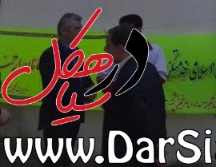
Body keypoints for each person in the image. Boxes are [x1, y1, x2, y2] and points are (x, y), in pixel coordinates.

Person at [102, 25, 167, 164]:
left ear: (120, 49)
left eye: (108, 45)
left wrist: (154, 152)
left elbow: (140, 117)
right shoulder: (149, 68)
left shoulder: (127, 77)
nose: (105, 49)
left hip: (130, 152)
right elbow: (159, 112)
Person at [38, 13, 95, 167]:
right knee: (55, 157)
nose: (80, 33)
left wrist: (91, 89)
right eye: (76, 29)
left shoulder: (76, 52)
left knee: (66, 156)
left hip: (74, 114)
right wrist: (83, 94)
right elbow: (55, 88)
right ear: (63, 31)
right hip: (57, 115)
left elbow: (85, 79)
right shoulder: (50, 55)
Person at [118, 14, 168, 83]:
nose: (123, 33)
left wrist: (143, 86)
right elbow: (105, 76)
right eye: (121, 30)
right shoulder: (117, 50)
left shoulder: (155, 50)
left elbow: (162, 76)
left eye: (127, 30)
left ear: (139, 29)